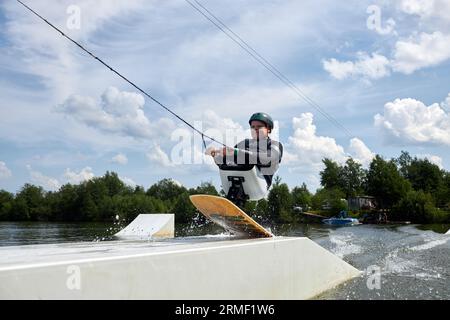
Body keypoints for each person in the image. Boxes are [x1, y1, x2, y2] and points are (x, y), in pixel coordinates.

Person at [205, 112, 283, 188]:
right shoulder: (244, 143)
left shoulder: (275, 144)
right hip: (235, 180)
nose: (255, 129)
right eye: (252, 127)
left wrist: (237, 152)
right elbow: (223, 162)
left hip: (260, 183)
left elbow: (267, 158)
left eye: (259, 126)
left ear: (268, 129)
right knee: (229, 162)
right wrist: (214, 154)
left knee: (245, 160)